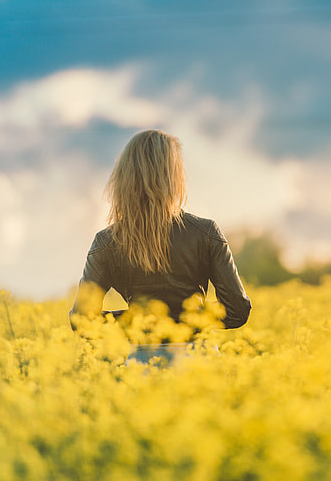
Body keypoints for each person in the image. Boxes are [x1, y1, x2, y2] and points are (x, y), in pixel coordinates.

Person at [70, 129, 251, 363]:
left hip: (142, 363)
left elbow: (82, 321)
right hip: (200, 362)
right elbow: (237, 311)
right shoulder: (205, 232)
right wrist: (186, 319)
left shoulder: (107, 242)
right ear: (174, 177)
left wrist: (141, 320)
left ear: (124, 176)